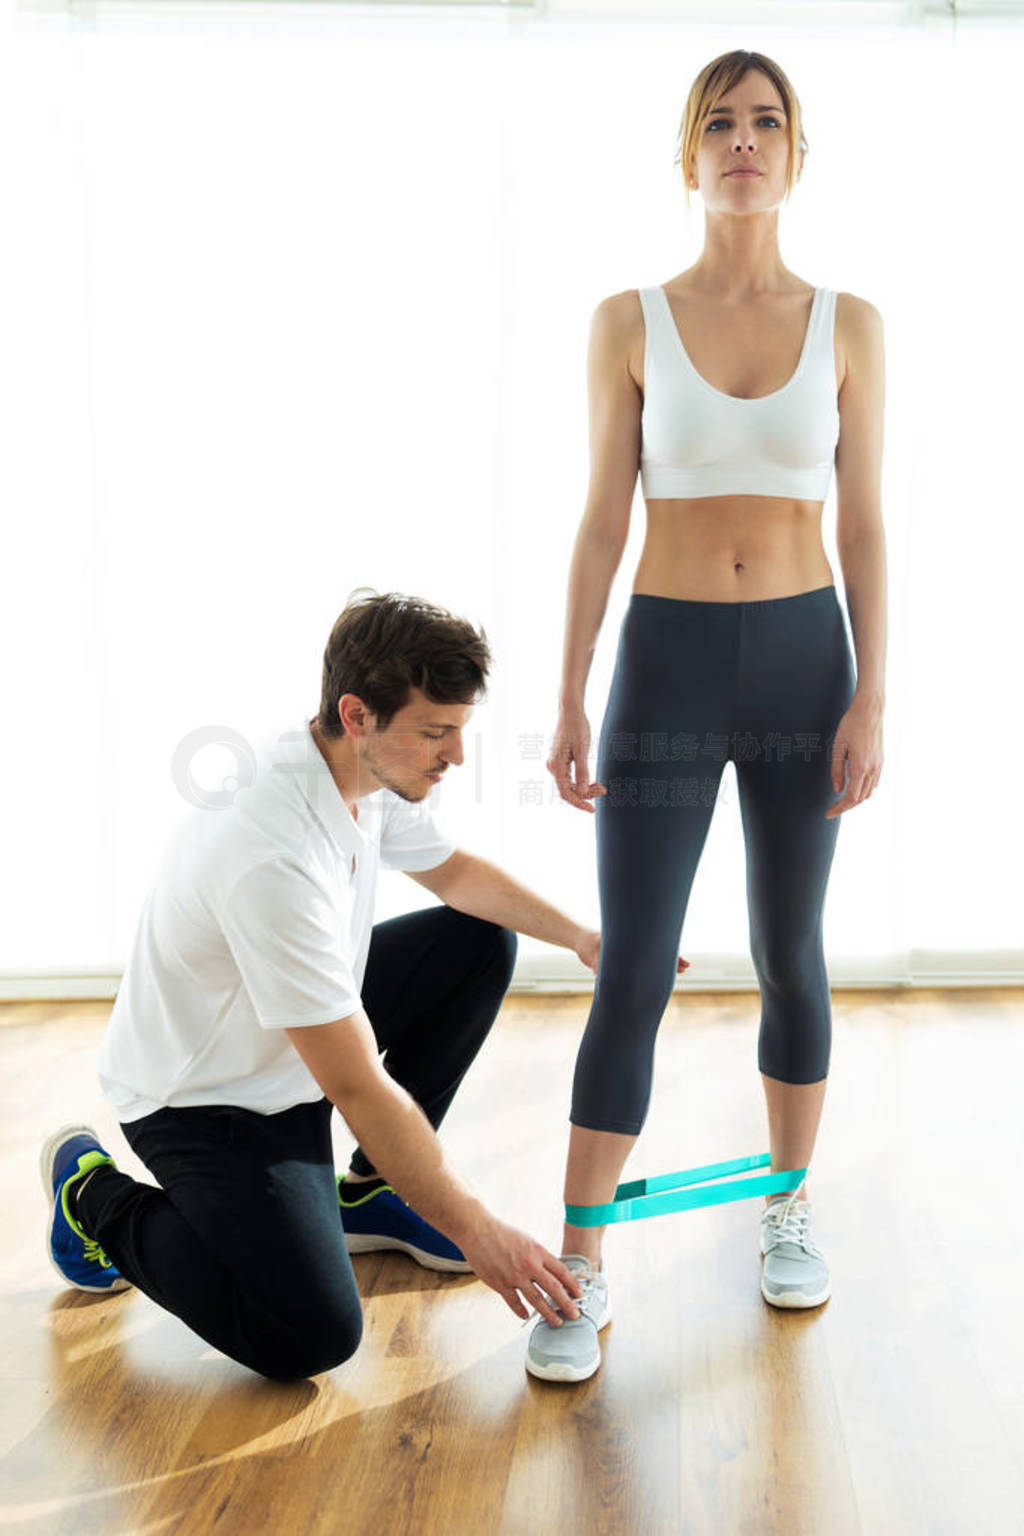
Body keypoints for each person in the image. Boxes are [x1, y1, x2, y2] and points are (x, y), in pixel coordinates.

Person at [43, 590, 692, 1380]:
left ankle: (365, 1194)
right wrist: (481, 1231)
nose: (454, 755)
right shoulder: (269, 852)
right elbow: (357, 1085)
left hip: (293, 1042)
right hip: (205, 1099)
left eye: (459, 729)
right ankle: (93, 1198)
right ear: (358, 715)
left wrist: (587, 938)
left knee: (478, 942)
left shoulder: (358, 771)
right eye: (435, 732)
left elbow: (455, 875)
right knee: (308, 1332)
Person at [527, 48, 886, 1383]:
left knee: (793, 949)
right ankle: (581, 1265)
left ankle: (788, 1208)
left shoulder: (852, 323)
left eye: (767, 123)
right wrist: (568, 687)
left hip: (804, 662)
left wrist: (873, 689)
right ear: (689, 157)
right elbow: (598, 520)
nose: (745, 142)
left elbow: (864, 521)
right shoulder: (628, 319)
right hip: (667, 659)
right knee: (635, 967)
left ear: (798, 154)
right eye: (720, 124)